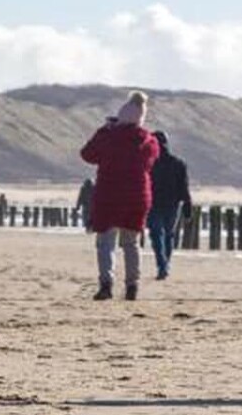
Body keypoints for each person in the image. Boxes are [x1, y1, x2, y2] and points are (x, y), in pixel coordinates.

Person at [80, 90, 160, 301]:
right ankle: (132, 286)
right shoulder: (149, 141)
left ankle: (106, 284)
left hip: (109, 194)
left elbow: (87, 154)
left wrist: (105, 130)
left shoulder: (108, 136)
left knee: (105, 243)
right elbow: (151, 160)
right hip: (137, 197)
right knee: (131, 243)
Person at [146, 130, 194, 281]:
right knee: (167, 235)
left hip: (155, 203)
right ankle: (164, 265)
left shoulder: (149, 164)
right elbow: (184, 188)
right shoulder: (178, 164)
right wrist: (187, 206)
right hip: (171, 204)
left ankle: (163, 265)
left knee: (157, 234)